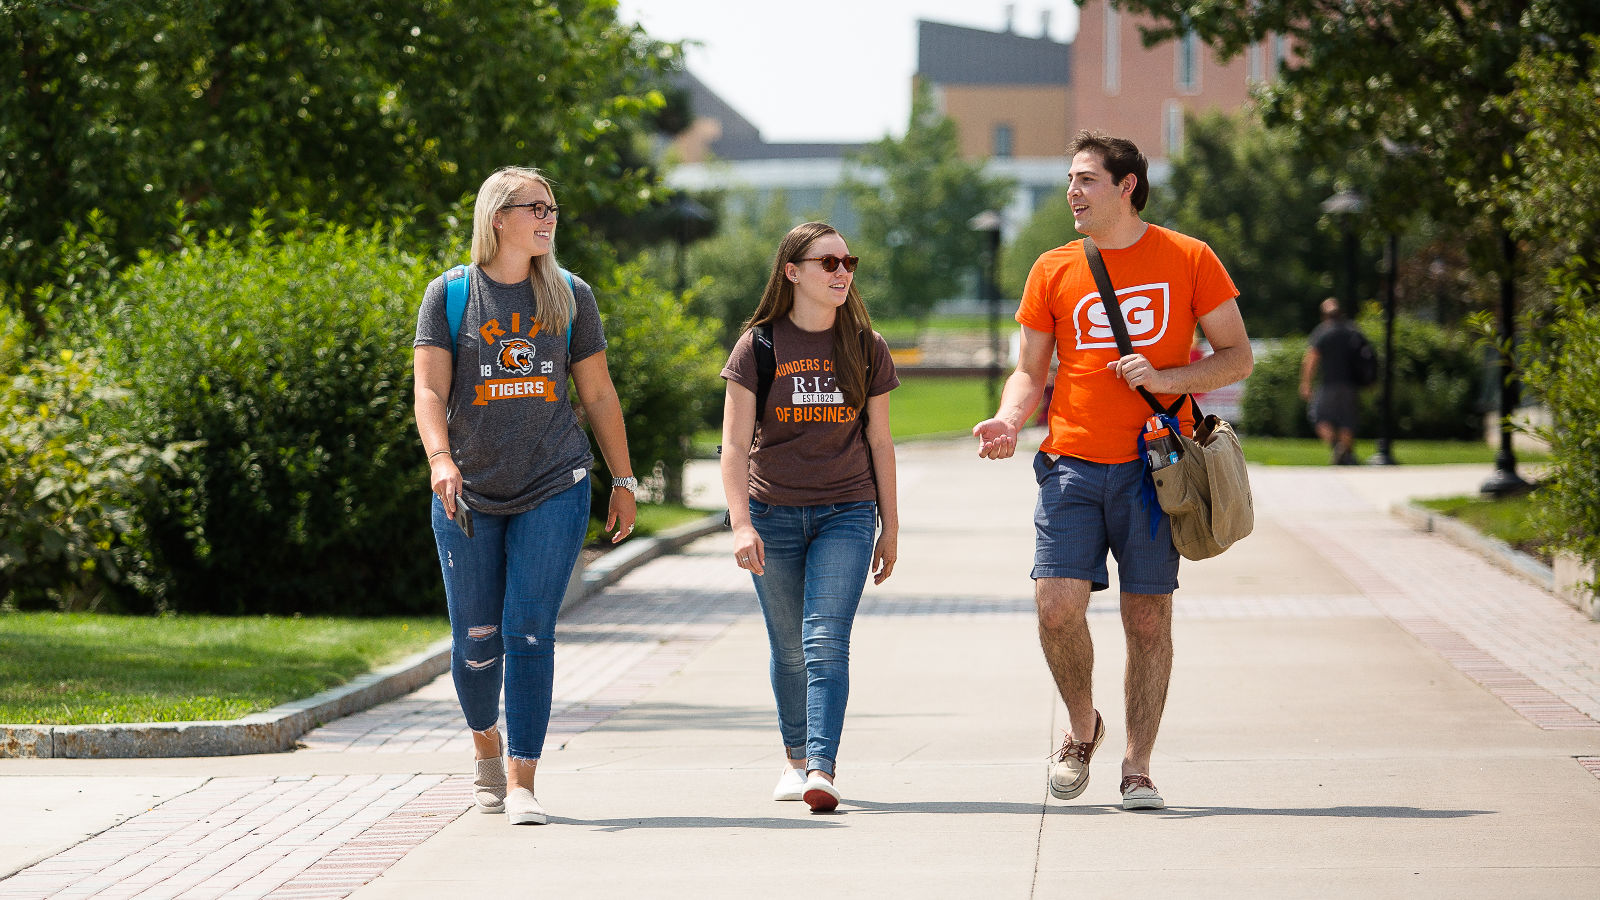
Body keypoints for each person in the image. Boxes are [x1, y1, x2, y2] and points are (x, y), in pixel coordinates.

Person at [972, 131, 1253, 811]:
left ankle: (1138, 765)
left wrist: (1164, 376)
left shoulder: (1189, 258)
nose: (1072, 191)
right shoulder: (1054, 268)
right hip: (1070, 463)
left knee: (1148, 619)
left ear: (1127, 186)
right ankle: (1081, 729)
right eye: (1071, 179)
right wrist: (1011, 418)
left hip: (1157, 468)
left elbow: (1236, 356)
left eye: (1086, 180)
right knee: (1057, 606)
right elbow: (1030, 369)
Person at [413, 166, 639, 826]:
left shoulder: (569, 295)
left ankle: (522, 783)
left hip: (554, 483)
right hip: (467, 491)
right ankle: (486, 743)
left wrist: (622, 480)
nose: (548, 217)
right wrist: (439, 459)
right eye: (533, 206)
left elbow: (596, 394)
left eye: (552, 206)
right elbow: (429, 391)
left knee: (529, 631)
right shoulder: (451, 295)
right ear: (498, 218)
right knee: (476, 643)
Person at [720, 222, 900, 813]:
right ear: (792, 272)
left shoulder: (867, 346)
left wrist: (890, 527)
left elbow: (880, 442)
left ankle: (821, 767)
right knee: (789, 647)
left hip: (847, 512)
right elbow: (733, 444)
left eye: (848, 261)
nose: (842, 272)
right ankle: (795, 759)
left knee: (825, 641)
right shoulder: (759, 346)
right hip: (772, 514)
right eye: (827, 263)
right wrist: (741, 522)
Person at [1300, 297, 1368, 465]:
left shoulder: (1322, 332)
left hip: (1328, 384)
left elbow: (1311, 359)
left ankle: (1337, 446)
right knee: (1347, 420)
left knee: (1318, 417)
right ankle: (1347, 454)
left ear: (1324, 315)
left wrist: (1306, 383)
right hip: (1350, 385)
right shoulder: (1353, 330)